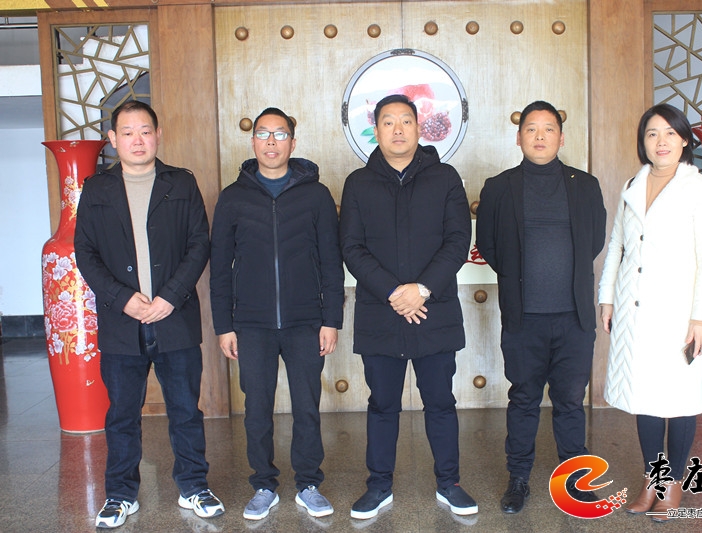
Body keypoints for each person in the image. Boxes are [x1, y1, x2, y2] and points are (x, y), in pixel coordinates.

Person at [75, 101, 224, 529]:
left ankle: (194, 487)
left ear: (158, 135)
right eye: (127, 132)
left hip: (174, 318)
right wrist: (122, 298)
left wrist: (170, 297)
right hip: (121, 322)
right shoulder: (97, 189)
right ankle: (120, 495)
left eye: (145, 131)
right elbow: (85, 252)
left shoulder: (181, 183)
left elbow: (199, 243)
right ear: (113, 140)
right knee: (122, 413)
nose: (137, 140)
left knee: (185, 410)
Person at [339, 94, 477, 519]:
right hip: (381, 312)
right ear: (375, 131)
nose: (397, 130)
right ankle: (378, 486)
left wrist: (422, 289)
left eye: (405, 121)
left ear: (419, 128)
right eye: (388, 122)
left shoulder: (445, 178)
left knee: (441, 402)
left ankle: (450, 483)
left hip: (434, 310)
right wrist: (395, 293)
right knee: (382, 404)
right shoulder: (358, 183)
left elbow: (458, 240)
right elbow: (352, 247)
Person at [209, 107, 344, 520]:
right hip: (252, 324)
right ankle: (263, 484)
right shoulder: (233, 197)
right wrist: (224, 326)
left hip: (306, 322)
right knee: (256, 409)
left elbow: (331, 261)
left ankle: (308, 484)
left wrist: (331, 319)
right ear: (253, 142)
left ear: (293, 142)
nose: (271, 141)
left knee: (307, 407)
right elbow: (220, 267)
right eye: (263, 133)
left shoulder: (316, 195)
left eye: (280, 134)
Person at [475, 100, 606, 513]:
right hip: (524, 318)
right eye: (531, 129)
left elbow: (595, 241)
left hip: (574, 317)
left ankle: (575, 479)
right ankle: (518, 479)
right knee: (524, 399)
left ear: (561, 138)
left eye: (548, 129)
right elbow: (489, 245)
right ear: (519, 138)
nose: (540, 136)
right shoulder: (499, 187)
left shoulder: (585, 185)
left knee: (570, 401)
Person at [598, 104, 702, 522]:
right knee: (645, 396)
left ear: (685, 140)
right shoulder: (633, 184)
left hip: (679, 313)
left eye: (670, 133)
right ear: (643, 142)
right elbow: (617, 245)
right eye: (652, 134)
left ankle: (673, 483)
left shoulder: (699, 188)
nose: (661, 141)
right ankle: (653, 479)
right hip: (635, 308)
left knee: (680, 398)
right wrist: (608, 297)